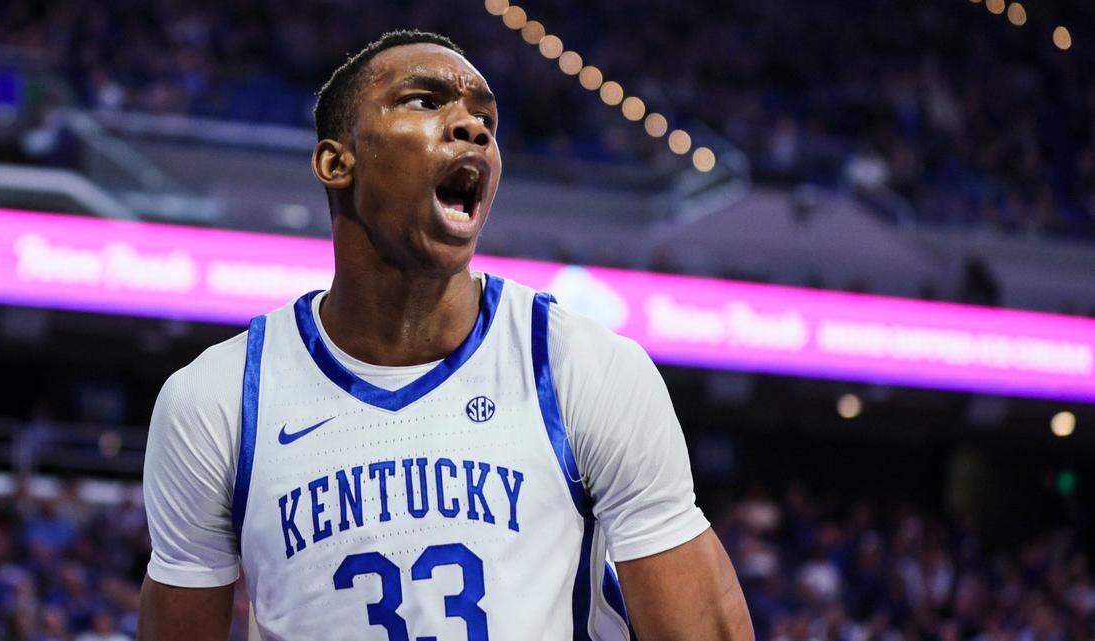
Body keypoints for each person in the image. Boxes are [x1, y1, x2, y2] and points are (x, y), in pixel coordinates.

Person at [138, 29, 753, 641]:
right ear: (336, 162)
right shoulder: (217, 400)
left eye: (485, 118)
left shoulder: (581, 367)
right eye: (424, 101)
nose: (472, 128)